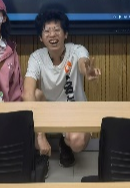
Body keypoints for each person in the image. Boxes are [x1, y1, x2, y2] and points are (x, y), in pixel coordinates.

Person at [24, 10, 101, 167]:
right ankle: (42, 137)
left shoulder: (77, 50)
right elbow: (27, 92)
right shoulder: (36, 57)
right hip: (48, 113)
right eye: (47, 31)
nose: (52, 35)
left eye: (57, 30)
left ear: (65, 34)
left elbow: (83, 64)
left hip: (75, 112)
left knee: (77, 142)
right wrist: (39, 134)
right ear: (40, 38)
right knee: (35, 94)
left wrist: (88, 71)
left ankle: (64, 143)